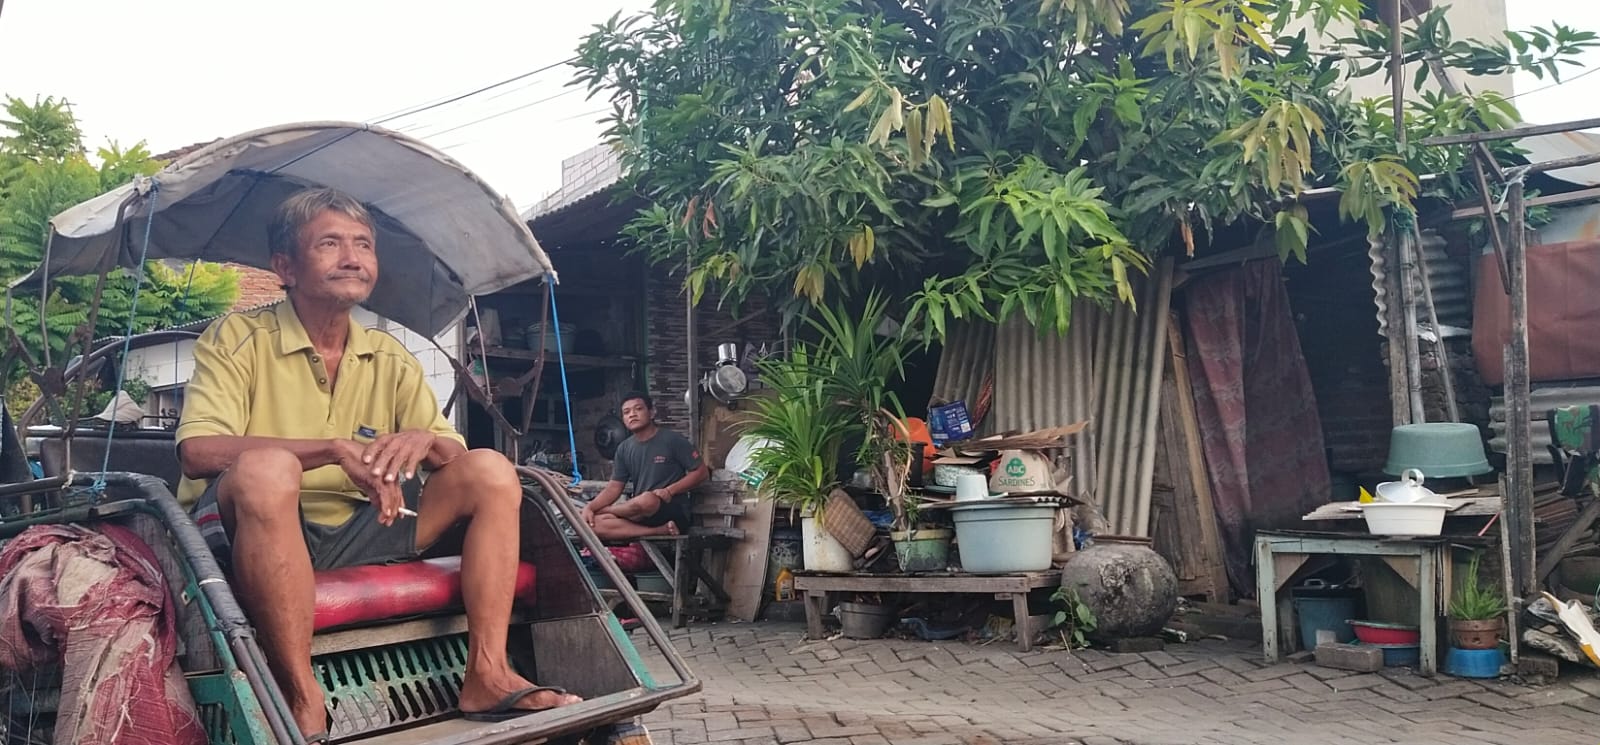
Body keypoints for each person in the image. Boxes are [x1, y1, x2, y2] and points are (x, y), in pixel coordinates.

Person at [175, 188, 581, 743]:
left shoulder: (389, 355)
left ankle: (487, 673)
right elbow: (198, 451)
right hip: (249, 532)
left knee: (489, 470)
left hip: (369, 525)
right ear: (284, 267)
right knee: (267, 470)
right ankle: (301, 696)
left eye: (363, 245)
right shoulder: (237, 337)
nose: (352, 257)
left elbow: (455, 458)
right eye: (331, 243)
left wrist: (424, 440)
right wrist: (333, 448)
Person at [582, 392, 709, 540]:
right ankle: (658, 531)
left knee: (647, 500)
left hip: (670, 511)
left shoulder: (672, 440)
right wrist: (589, 508)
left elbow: (701, 472)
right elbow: (614, 488)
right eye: (626, 412)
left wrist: (669, 491)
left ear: (652, 412)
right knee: (591, 524)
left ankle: (610, 511)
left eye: (638, 409)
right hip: (639, 515)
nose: (632, 415)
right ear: (623, 419)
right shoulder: (623, 449)